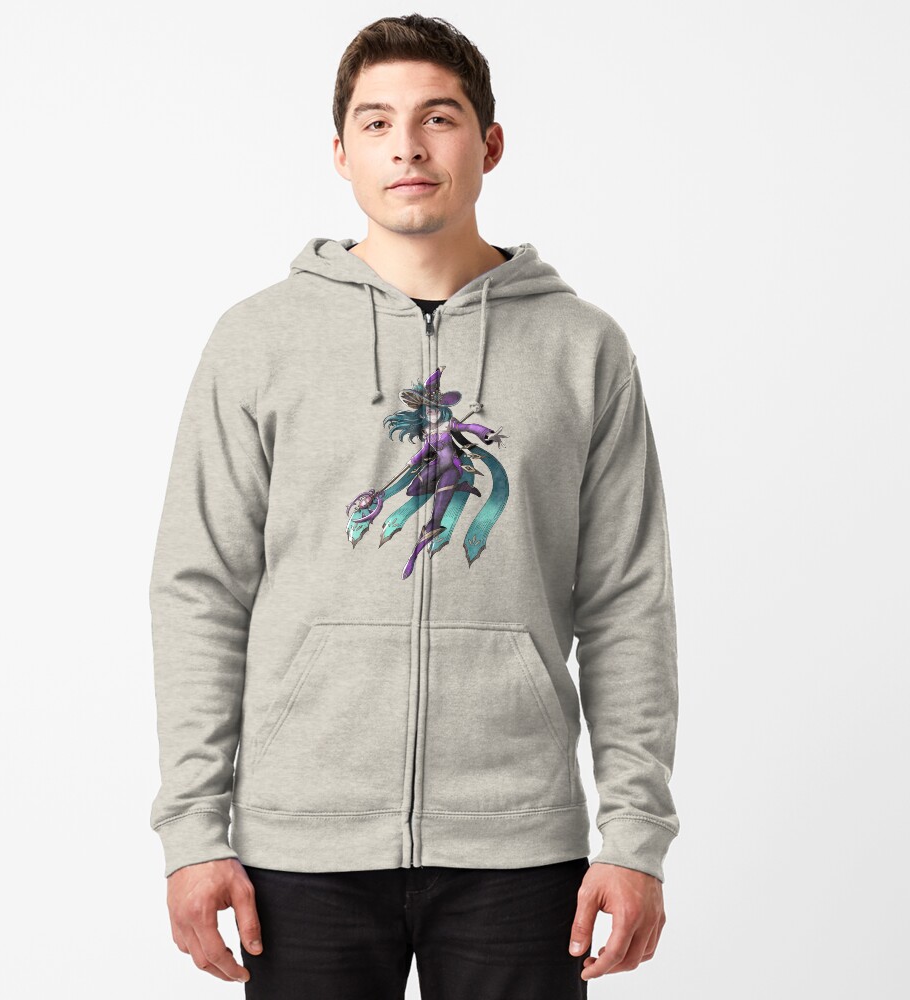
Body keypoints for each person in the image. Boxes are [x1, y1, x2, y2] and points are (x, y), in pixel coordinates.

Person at [148, 13, 680, 998]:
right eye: (376, 122)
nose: (407, 146)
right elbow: (201, 589)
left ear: (489, 144)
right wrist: (192, 830)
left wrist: (636, 835)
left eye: (438, 118)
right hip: (300, 843)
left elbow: (625, 600)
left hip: (520, 845)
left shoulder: (582, 348)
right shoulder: (259, 340)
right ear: (341, 152)